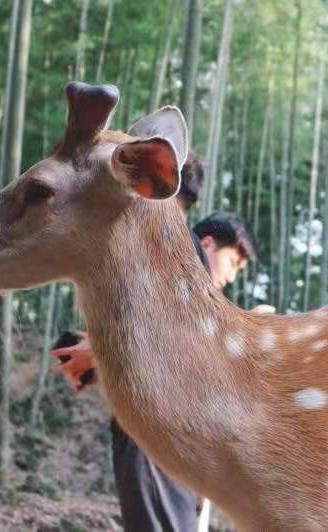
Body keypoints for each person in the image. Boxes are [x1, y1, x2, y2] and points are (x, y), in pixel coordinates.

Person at [51, 153, 259, 532]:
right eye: (234, 263)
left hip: (163, 437)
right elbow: (160, 345)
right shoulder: (174, 249)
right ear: (210, 245)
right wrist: (97, 350)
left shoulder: (166, 253)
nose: (232, 277)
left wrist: (96, 351)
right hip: (156, 431)